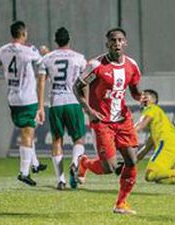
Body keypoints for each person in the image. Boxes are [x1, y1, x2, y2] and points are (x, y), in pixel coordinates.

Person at [73, 28, 143, 214]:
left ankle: (121, 204)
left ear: (125, 43)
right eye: (113, 40)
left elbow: (134, 90)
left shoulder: (131, 65)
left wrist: (140, 98)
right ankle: (85, 163)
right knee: (110, 167)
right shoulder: (96, 65)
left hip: (122, 119)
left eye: (120, 40)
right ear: (107, 44)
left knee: (132, 161)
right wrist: (89, 110)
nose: (117, 43)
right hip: (102, 121)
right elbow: (77, 86)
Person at [0, 21, 47, 186]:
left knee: (28, 129)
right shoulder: (29, 50)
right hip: (27, 98)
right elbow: (42, 64)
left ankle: (35, 164)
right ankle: (24, 172)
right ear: (23, 34)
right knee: (27, 133)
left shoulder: (1, 51)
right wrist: (45, 53)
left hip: (12, 98)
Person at [38, 27, 86, 190]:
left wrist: (40, 107)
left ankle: (61, 180)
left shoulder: (47, 58)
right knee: (78, 139)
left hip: (55, 102)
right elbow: (84, 82)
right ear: (69, 40)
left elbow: (41, 82)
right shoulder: (79, 58)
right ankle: (74, 163)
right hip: (73, 101)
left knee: (57, 140)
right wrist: (85, 102)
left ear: (56, 40)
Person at [134, 89, 175, 184]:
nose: (142, 99)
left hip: (167, 144)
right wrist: (127, 164)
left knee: (151, 174)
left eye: (145, 96)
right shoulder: (158, 126)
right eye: (141, 97)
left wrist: (123, 133)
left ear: (153, 100)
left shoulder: (151, 108)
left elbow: (140, 125)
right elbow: (145, 149)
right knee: (160, 178)